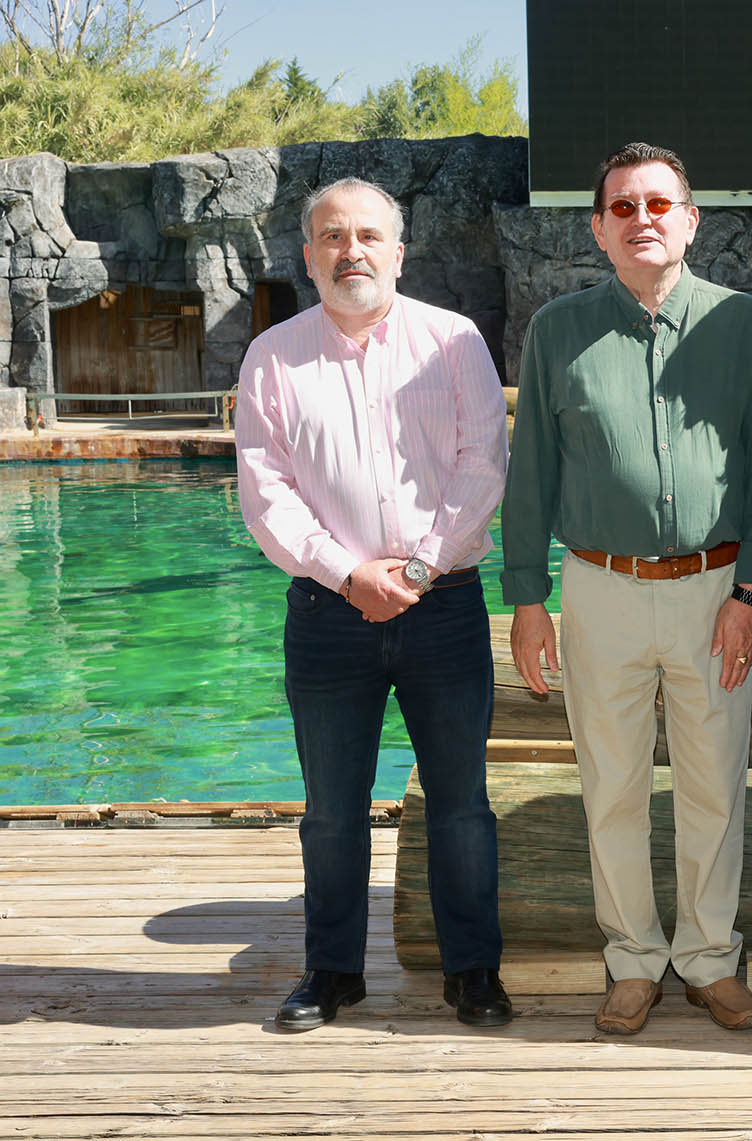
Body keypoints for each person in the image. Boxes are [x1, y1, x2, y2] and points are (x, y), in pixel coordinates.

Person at [501, 142, 752, 1036]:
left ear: (691, 220)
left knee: (714, 785)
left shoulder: (745, 325)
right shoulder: (558, 330)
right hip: (599, 590)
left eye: (660, 203)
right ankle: (631, 959)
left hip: (717, 590)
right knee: (610, 784)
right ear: (599, 228)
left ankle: (707, 957)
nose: (642, 218)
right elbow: (531, 470)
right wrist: (527, 597)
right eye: (623, 207)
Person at [237, 177, 512, 1031]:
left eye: (367, 234)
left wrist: (420, 570)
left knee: (461, 803)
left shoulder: (454, 340)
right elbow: (266, 492)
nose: (350, 249)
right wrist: (347, 573)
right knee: (330, 808)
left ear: (399, 250)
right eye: (331, 236)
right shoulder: (272, 357)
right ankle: (332, 971)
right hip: (327, 616)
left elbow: (482, 462)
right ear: (309, 255)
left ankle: (472, 972)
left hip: (448, 606)